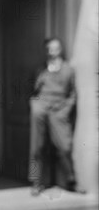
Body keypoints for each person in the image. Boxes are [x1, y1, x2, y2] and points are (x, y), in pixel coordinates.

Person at [28, 37, 81, 195]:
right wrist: (35, 106)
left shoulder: (68, 69)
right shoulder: (41, 70)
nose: (53, 52)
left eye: (56, 48)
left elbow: (72, 94)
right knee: (37, 146)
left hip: (59, 110)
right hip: (41, 107)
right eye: (50, 49)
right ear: (46, 51)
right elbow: (33, 90)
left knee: (65, 146)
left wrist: (65, 110)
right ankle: (36, 182)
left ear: (60, 49)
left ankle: (71, 180)